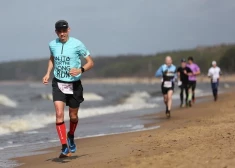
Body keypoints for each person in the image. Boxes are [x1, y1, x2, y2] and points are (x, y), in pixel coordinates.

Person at [42, 20, 94, 158]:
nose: (62, 34)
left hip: (74, 85)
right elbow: (52, 58)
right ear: (56, 32)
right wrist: (48, 73)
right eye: (59, 31)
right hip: (58, 83)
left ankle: (70, 135)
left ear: (69, 30)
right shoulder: (52, 44)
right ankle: (64, 146)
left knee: (73, 116)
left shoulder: (77, 44)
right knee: (59, 114)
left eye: (64, 31)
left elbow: (90, 62)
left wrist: (80, 70)